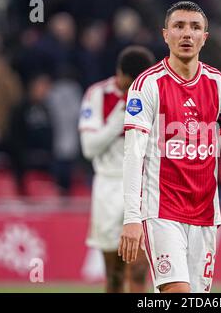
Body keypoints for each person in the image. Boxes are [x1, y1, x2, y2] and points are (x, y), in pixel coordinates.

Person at [118, 1, 221, 293]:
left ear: (206, 37)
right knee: (178, 292)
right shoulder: (147, 85)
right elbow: (133, 155)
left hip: (205, 214)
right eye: (179, 27)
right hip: (161, 211)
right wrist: (132, 218)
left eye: (195, 27)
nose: (187, 34)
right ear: (165, 34)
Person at [79, 45, 155, 293]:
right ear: (120, 74)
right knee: (114, 275)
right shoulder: (98, 94)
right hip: (109, 186)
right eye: (130, 82)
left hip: (145, 184)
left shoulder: (155, 95)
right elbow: (89, 148)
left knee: (139, 271)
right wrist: (117, 120)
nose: (134, 88)